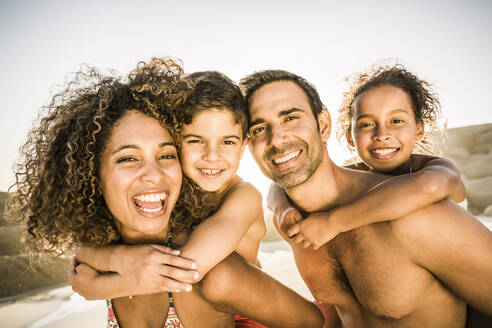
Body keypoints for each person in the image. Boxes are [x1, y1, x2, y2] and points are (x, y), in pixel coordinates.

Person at [8, 59, 325, 327]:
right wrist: (113, 257)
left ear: (242, 145)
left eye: (227, 141)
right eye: (194, 141)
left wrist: (98, 285)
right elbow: (99, 248)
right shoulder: (174, 203)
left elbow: (186, 269)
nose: (211, 156)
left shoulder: (239, 201)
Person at [239, 69, 492, 327]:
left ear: (323, 125)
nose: (276, 139)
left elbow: (434, 183)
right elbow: (341, 311)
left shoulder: (417, 216)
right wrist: (280, 209)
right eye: (259, 128)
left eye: (291, 117)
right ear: (248, 146)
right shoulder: (293, 220)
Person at [266, 65, 466, 250]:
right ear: (350, 137)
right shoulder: (355, 173)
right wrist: (283, 210)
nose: (381, 134)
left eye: (396, 121)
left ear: (419, 129)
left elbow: (428, 187)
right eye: (366, 124)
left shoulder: (437, 168)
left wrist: (333, 222)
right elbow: (283, 183)